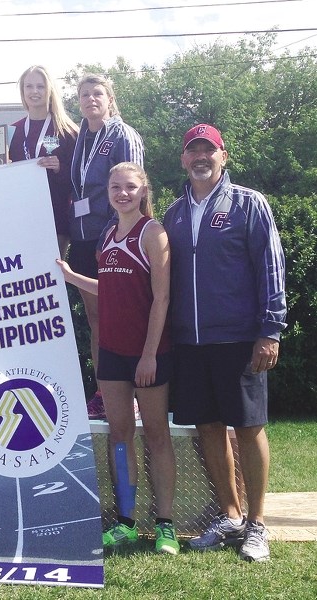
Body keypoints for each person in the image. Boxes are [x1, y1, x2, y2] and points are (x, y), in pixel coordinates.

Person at [163, 124, 287, 562]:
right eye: (192, 150)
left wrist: (270, 330)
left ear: (223, 156)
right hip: (190, 341)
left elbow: (270, 267)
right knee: (208, 428)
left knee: (249, 429)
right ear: (183, 159)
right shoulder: (173, 213)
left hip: (238, 338)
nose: (200, 157)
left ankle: (257, 524)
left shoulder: (249, 204)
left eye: (208, 150)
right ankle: (231, 516)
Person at [58, 162, 178, 555]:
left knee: (157, 435)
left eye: (130, 187)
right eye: (115, 187)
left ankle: (165, 524)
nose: (122, 193)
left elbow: (161, 298)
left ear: (143, 190)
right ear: (107, 191)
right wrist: (72, 277)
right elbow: (108, 289)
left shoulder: (153, 232)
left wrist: (148, 355)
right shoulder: (108, 234)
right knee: (120, 435)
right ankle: (125, 521)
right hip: (110, 352)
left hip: (147, 354)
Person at [69, 73, 145, 420]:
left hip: (111, 239)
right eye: (84, 95)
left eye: (97, 93)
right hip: (84, 239)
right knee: (97, 321)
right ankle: (104, 392)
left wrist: (119, 237)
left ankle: (132, 394)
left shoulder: (122, 135)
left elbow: (131, 189)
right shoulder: (84, 136)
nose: (90, 99)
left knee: (120, 319)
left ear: (110, 99)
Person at [9, 65, 79, 258]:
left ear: (50, 90)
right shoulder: (12, 131)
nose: (34, 91)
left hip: (55, 220)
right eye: (28, 86)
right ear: (22, 91)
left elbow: (80, 180)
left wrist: (60, 168)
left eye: (40, 86)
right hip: (21, 219)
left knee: (51, 278)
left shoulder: (68, 131)